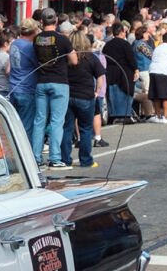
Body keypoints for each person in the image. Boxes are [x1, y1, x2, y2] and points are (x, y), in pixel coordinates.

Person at [28, 9, 71, 168]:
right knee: (56, 121)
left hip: (41, 82)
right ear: (56, 21)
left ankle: (36, 157)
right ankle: (55, 158)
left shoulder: (37, 39)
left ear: (42, 22)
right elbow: (73, 60)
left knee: (39, 121)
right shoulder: (63, 39)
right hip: (59, 82)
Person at [65, 31, 103, 168]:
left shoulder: (66, 57)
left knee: (67, 128)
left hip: (68, 95)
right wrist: (97, 91)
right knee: (86, 129)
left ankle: (65, 159)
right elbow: (100, 76)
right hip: (86, 96)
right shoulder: (90, 57)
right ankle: (86, 160)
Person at [101, 22, 136, 123]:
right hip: (124, 72)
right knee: (124, 94)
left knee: (113, 94)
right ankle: (125, 114)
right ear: (122, 32)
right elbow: (130, 58)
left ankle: (113, 114)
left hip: (111, 72)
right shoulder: (125, 44)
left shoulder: (107, 45)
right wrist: (135, 69)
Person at [147, 28, 167, 124]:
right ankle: (165, 116)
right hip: (163, 71)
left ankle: (157, 115)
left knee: (156, 95)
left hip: (153, 70)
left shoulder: (158, 47)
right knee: (165, 95)